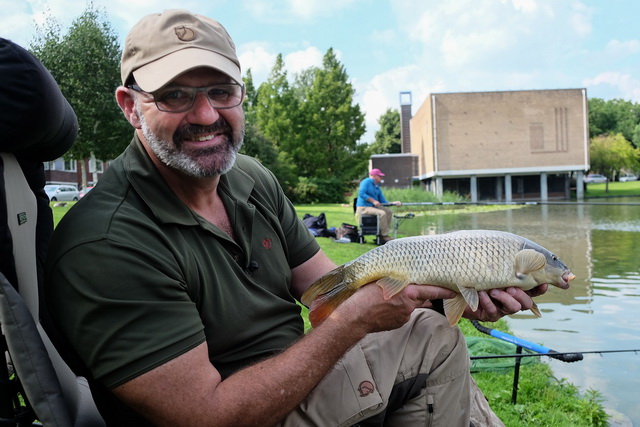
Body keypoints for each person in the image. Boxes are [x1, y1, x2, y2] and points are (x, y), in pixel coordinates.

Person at [44, 9, 548, 426]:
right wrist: (350, 326)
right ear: (130, 107)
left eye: (221, 91)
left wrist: (453, 296)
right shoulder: (106, 244)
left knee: (432, 329)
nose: (205, 115)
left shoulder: (249, 178)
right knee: (433, 345)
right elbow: (206, 416)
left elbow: (332, 290)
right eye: (175, 94)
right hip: (242, 412)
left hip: (297, 372)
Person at [356, 168, 401, 242]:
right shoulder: (366, 181)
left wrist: (394, 203)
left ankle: (382, 233)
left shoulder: (377, 187)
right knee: (382, 213)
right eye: (379, 176)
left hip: (372, 207)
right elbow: (361, 194)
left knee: (389, 212)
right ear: (374, 176)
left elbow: (383, 201)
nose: (381, 177)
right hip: (363, 207)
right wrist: (373, 201)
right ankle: (384, 236)